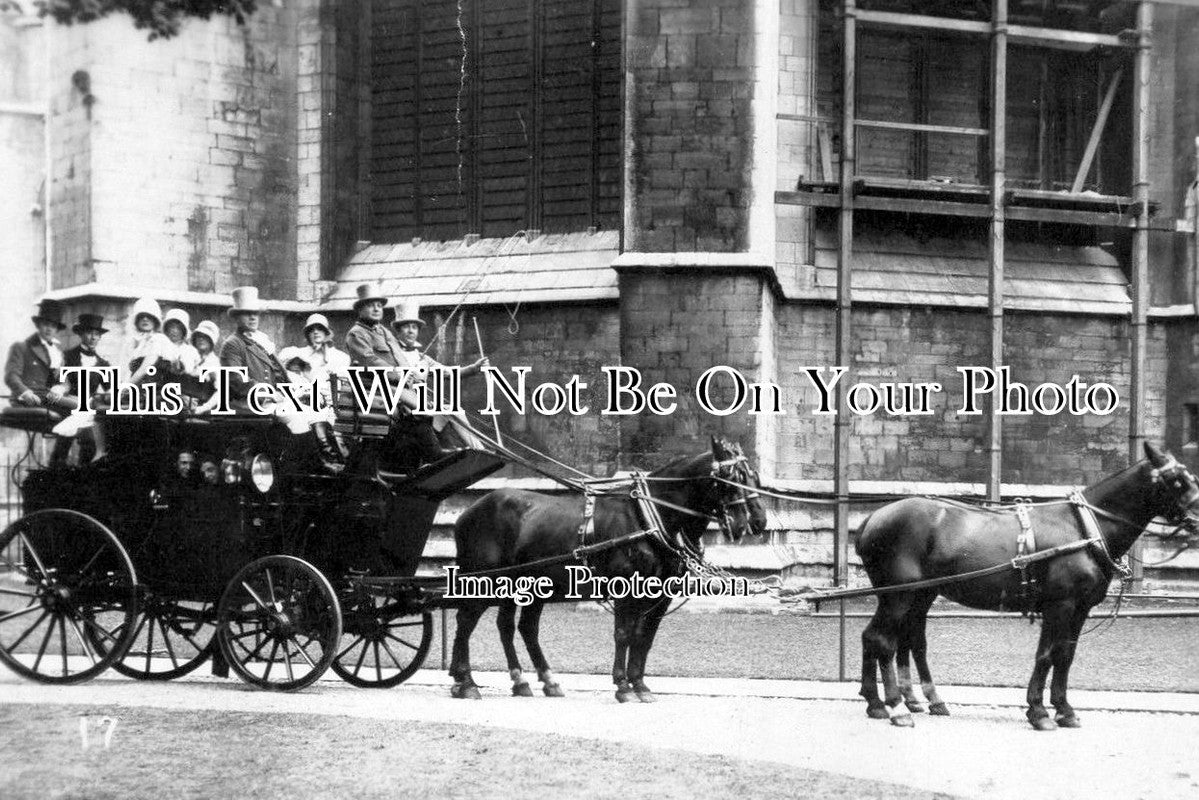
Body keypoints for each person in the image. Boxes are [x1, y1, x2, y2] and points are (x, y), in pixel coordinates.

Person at [344, 283, 487, 464]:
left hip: (395, 387)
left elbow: (400, 359)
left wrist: (409, 375)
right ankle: (433, 453)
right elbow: (370, 361)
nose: (376, 308)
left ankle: (462, 451)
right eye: (370, 305)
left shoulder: (384, 333)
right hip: (375, 388)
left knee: (438, 407)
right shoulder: (356, 334)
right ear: (360, 309)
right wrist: (401, 374)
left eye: (379, 305)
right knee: (422, 406)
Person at [218, 286, 345, 474]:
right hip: (249, 402)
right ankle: (316, 464)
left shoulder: (261, 342)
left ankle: (332, 458)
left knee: (316, 411)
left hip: (272, 399)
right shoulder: (233, 344)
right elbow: (237, 380)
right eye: (247, 314)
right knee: (297, 417)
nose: (253, 318)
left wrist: (292, 390)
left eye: (255, 314)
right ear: (237, 317)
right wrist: (269, 392)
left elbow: (278, 373)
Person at [51, 313, 112, 463]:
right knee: (63, 442)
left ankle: (84, 473)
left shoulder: (103, 364)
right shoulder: (68, 356)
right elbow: (61, 384)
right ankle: (57, 469)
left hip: (89, 410)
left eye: (97, 334)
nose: (93, 338)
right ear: (81, 334)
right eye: (89, 333)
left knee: (90, 440)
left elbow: (110, 390)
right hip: (68, 406)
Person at [123, 297, 172, 385]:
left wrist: (125, 388)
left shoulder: (159, 339)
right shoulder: (133, 342)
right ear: (136, 320)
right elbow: (126, 371)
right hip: (135, 387)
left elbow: (144, 368)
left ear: (155, 320)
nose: (145, 319)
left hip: (155, 390)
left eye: (149, 316)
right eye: (142, 316)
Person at [161, 309, 201, 379]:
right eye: (172, 327)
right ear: (167, 328)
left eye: (179, 328)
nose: (175, 331)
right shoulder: (160, 345)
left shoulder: (190, 350)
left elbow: (191, 369)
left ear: (184, 331)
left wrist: (181, 366)